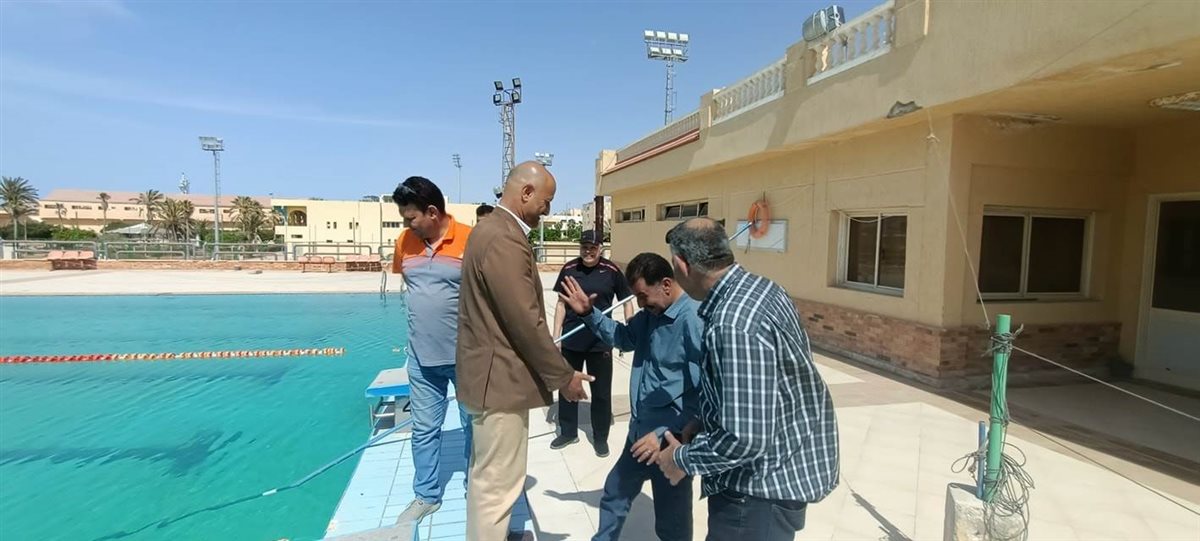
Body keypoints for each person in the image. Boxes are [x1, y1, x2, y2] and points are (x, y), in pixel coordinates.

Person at [655, 217, 840, 541]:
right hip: (777, 478)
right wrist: (707, 420)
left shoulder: (732, 323)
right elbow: (770, 384)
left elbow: (745, 439)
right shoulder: (764, 288)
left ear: (682, 264)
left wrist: (680, 459)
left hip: (756, 494)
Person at [456, 161, 594, 540]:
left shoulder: (490, 230)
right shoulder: (503, 238)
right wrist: (563, 376)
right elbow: (525, 320)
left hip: (491, 379)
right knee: (497, 490)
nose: (546, 211)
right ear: (526, 192)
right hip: (498, 383)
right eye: (545, 202)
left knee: (489, 481)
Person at [558, 252, 702, 541]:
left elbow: (706, 393)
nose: (640, 304)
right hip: (639, 434)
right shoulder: (650, 315)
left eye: (643, 296)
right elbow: (623, 338)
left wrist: (666, 433)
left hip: (668, 441)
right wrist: (588, 314)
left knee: (672, 522)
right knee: (615, 493)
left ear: (666, 284)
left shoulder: (693, 322)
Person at [389, 176, 475, 525]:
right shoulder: (404, 242)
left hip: (465, 358)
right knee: (424, 430)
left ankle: (476, 490)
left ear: (432, 212)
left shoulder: (471, 240)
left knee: (473, 427)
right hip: (421, 359)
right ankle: (426, 496)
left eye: (410, 217)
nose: (406, 224)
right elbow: (411, 284)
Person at [550, 230, 634, 457]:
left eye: (593, 247)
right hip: (571, 339)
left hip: (601, 341)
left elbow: (627, 300)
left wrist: (630, 329)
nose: (588, 251)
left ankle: (600, 437)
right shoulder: (569, 269)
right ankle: (568, 432)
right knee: (567, 388)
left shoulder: (612, 271)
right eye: (584, 247)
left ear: (600, 249)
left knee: (601, 393)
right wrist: (556, 337)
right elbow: (560, 304)